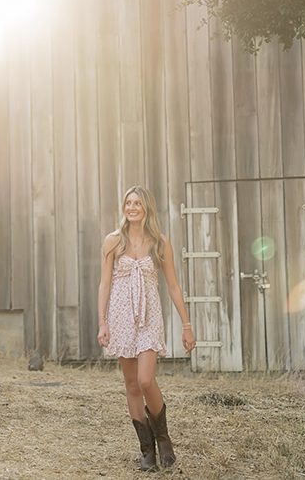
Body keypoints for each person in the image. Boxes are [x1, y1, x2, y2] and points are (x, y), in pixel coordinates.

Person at [97, 185, 196, 471]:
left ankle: (163, 438)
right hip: (120, 316)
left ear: (147, 207)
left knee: (145, 380)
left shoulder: (159, 242)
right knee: (130, 385)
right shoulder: (112, 242)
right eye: (128, 202)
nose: (132, 207)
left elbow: (174, 287)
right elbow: (104, 284)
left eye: (137, 203)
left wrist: (186, 326)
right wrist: (102, 322)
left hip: (149, 316)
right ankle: (147, 451)